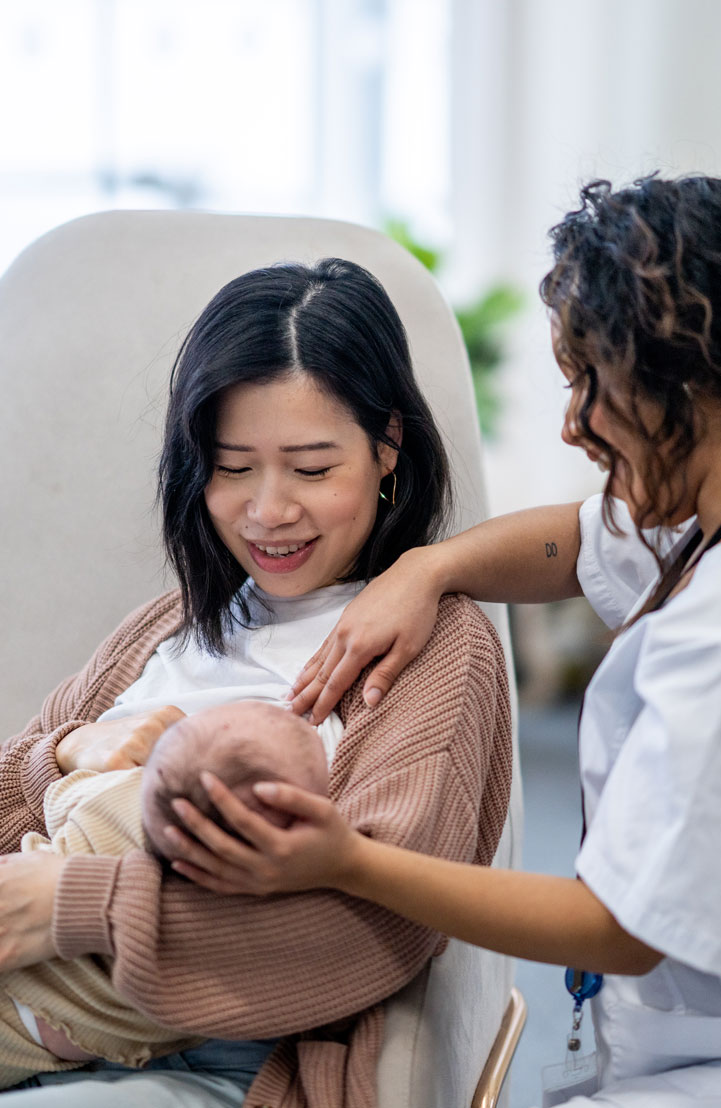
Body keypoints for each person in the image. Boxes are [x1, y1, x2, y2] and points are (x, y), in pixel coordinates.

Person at [166, 176, 721, 1107]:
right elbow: (575, 536)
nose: (572, 424)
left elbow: (620, 926)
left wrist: (347, 860)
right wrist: (426, 571)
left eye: (588, 384)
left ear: (684, 383)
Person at [0, 257, 512, 1108]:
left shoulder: (434, 651)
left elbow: (374, 926)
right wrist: (68, 750)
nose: (267, 511)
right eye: (232, 467)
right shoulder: (161, 628)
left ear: (387, 448)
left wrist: (73, 900)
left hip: (203, 1063)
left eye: (312, 469)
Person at [1, 701, 329, 1087]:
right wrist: (68, 744)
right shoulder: (237, 919)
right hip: (44, 1026)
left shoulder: (110, 791)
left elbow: (55, 799)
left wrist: (72, 776)